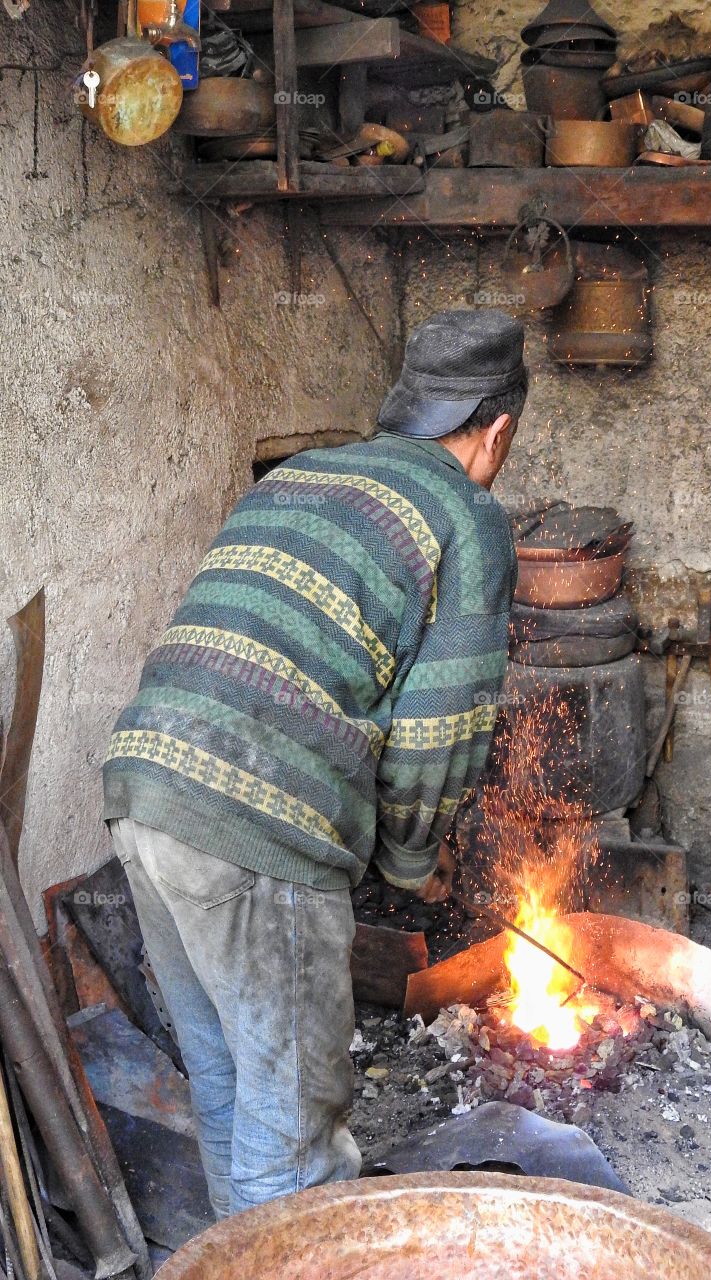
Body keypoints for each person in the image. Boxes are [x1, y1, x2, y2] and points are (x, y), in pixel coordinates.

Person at [101, 309, 526, 1217]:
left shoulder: (300, 474)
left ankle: (234, 1261)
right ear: (497, 431)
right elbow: (439, 733)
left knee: (228, 1086)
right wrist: (412, 864)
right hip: (258, 822)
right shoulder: (467, 515)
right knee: (293, 1134)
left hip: (143, 788)